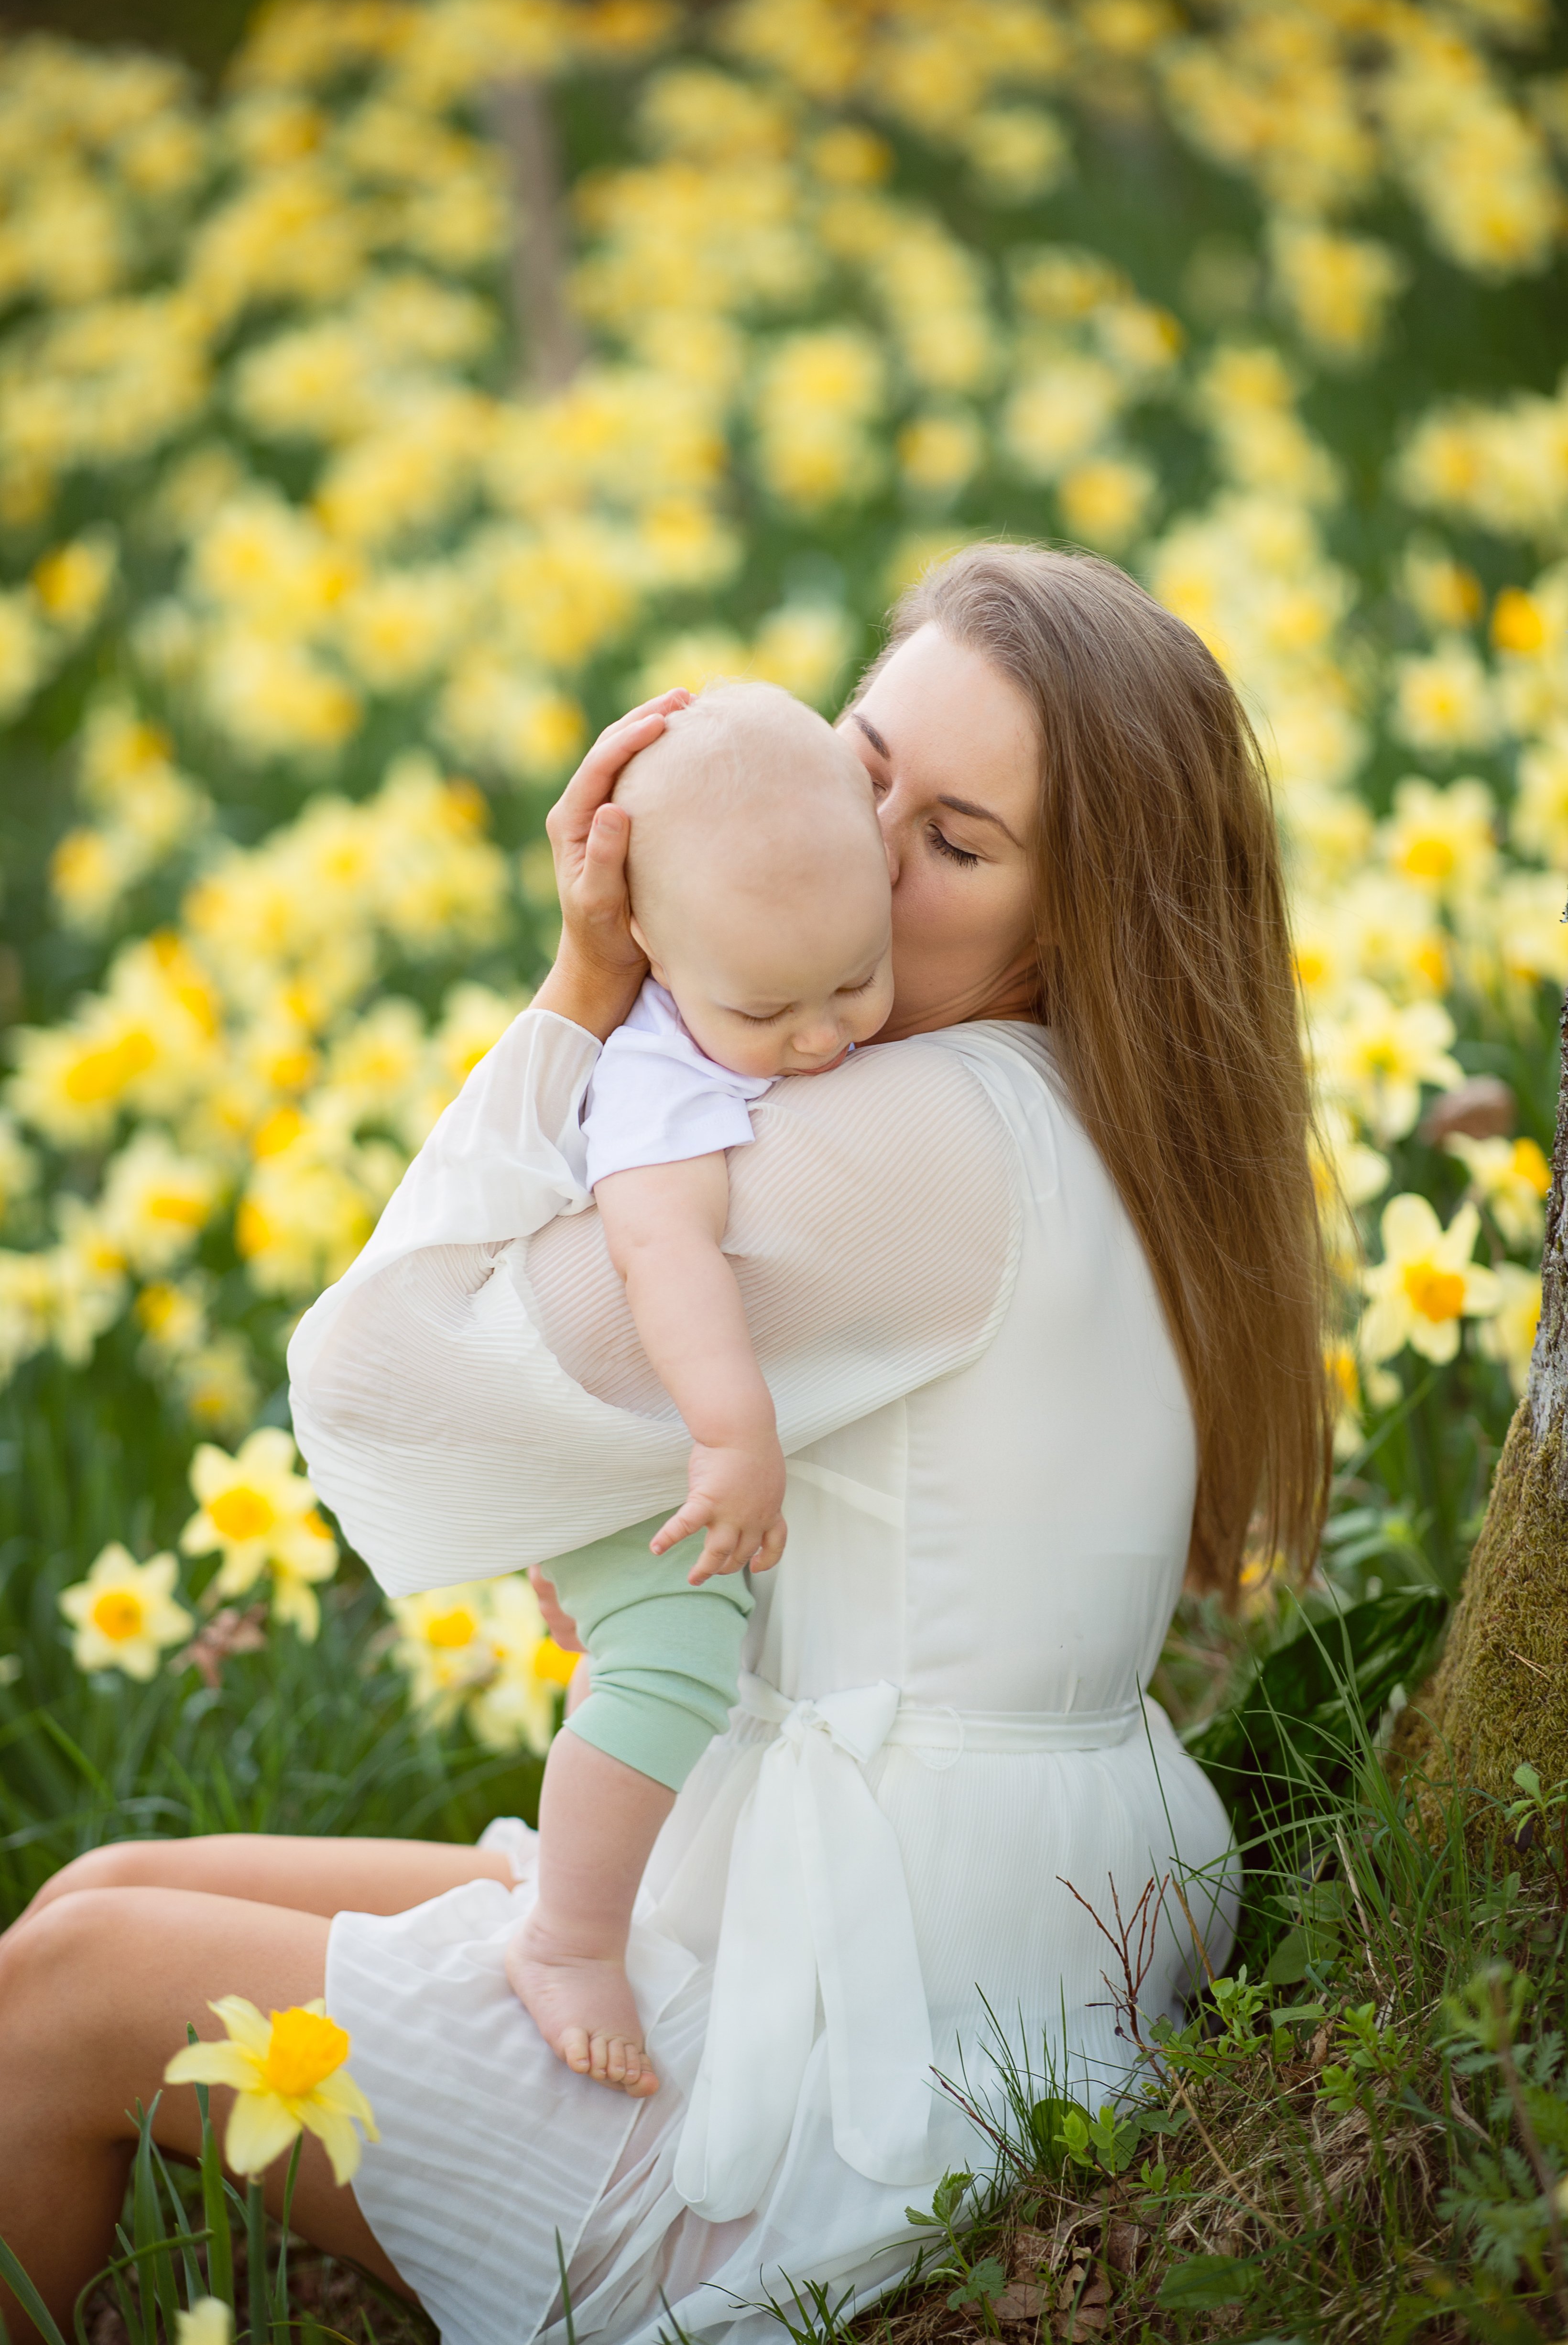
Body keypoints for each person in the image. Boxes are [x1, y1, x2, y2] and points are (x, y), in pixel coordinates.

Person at [0, 545, 1332, 2345]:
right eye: (862, 768)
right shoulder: (1102, 1109)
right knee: (103, 1887)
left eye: (951, 843)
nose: (856, 854)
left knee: (64, 1989)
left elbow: (397, 1385)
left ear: (1078, 922)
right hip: (910, 1915)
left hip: (829, 2061)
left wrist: (579, 987)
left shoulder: (914, 1141)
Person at [502, 682, 896, 2096]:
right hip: (661, 1437)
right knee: (672, 1669)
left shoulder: (748, 987)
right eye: (767, 1008)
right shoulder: (662, 1080)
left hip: (636, 1445)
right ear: (651, 947)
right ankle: (569, 1933)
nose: (822, 1041)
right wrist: (736, 1431)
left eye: (859, 979)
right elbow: (661, 1253)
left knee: (662, 1668)